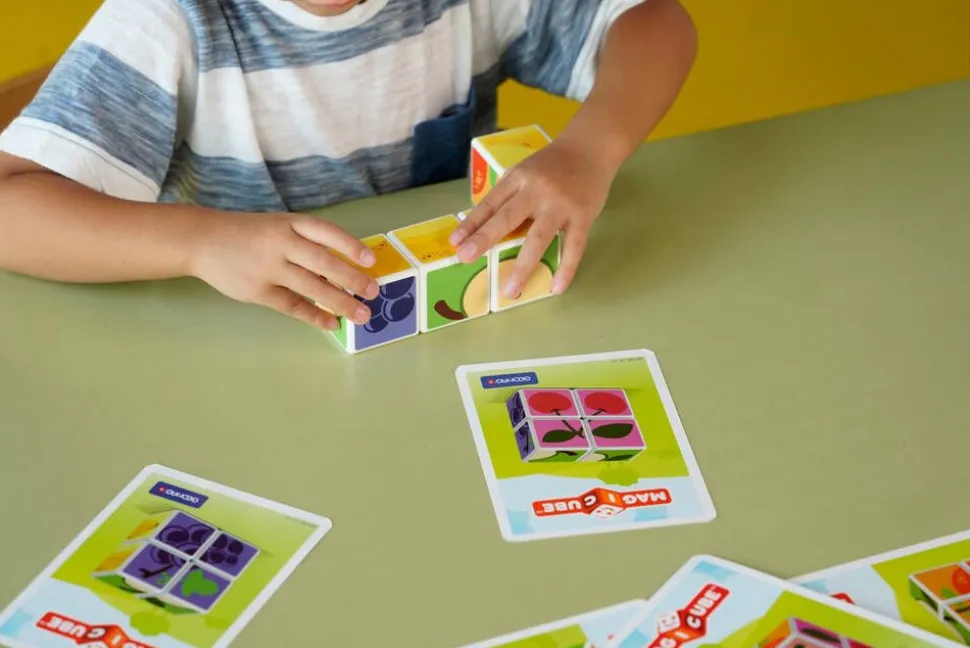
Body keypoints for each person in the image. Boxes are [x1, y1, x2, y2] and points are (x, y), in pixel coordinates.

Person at [0, 0, 697, 331]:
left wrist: (588, 151)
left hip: (458, 331)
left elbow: (655, 21)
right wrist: (201, 242)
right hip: (254, 338)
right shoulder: (165, 20)